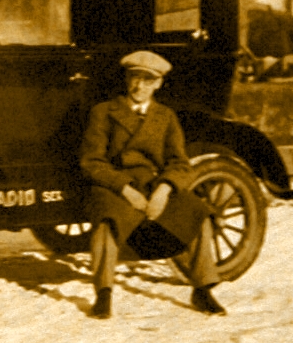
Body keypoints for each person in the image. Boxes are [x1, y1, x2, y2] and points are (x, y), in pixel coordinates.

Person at [80, 50, 226, 319]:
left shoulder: (166, 116)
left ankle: (203, 288)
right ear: (126, 79)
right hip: (114, 184)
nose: (139, 87)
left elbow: (180, 163)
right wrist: (125, 189)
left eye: (148, 81)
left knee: (198, 212)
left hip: (153, 184)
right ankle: (103, 293)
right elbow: (92, 162)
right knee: (108, 219)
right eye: (135, 78)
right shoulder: (103, 112)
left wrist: (164, 189)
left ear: (158, 84)